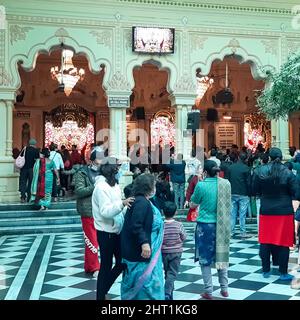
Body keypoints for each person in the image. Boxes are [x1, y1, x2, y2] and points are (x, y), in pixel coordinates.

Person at [252, 147, 298, 281]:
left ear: (269, 157)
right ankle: (283, 272)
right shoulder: (289, 173)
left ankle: (265, 269)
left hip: (266, 209)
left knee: (265, 240)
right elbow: (296, 192)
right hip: (284, 210)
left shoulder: (259, 171)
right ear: (281, 157)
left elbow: (254, 189)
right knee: (284, 242)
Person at [92, 157, 134, 300]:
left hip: (116, 230)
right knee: (106, 265)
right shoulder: (101, 187)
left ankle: (103, 291)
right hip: (106, 232)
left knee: (121, 262)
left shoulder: (113, 185)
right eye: (116, 168)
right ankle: (100, 295)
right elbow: (105, 211)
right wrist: (122, 204)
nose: (119, 170)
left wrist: (124, 209)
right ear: (110, 169)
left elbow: (117, 207)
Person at [190, 160, 231, 300]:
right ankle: (224, 288)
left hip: (205, 225)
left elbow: (193, 204)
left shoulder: (201, 185)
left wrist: (191, 203)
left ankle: (208, 290)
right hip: (222, 224)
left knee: (205, 258)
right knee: (221, 254)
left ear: (206, 172)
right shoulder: (226, 184)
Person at [121, 173, 164, 300]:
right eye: (154, 185)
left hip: (140, 248)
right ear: (148, 187)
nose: (155, 188)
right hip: (139, 250)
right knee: (144, 284)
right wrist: (144, 243)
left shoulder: (142, 200)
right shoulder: (141, 202)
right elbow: (136, 225)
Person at [74, 150, 103, 277]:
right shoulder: (82, 173)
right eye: (99, 159)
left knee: (100, 240)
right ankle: (95, 267)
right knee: (91, 240)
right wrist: (95, 186)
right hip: (88, 209)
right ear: (91, 160)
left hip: (101, 209)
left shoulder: (103, 172)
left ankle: (90, 265)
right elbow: (79, 191)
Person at [162, 201, 187, 300]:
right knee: (172, 273)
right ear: (175, 212)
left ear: (163, 212)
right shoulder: (178, 224)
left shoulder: (161, 225)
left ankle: (170, 291)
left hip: (164, 252)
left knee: (167, 272)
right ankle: (167, 293)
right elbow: (184, 237)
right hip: (176, 252)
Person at [228, 152, 251, 238]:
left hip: (232, 192)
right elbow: (248, 182)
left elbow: (228, 180)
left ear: (238, 157)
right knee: (242, 214)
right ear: (246, 159)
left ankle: (231, 231)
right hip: (243, 193)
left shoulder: (231, 168)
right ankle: (243, 231)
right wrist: (250, 193)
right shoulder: (246, 168)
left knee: (232, 213)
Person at [19, 138, 40, 203]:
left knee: (23, 182)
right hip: (31, 169)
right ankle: (29, 196)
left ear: (29, 143)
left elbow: (20, 157)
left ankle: (22, 197)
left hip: (24, 169)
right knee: (31, 183)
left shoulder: (24, 149)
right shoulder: (36, 151)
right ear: (35, 144)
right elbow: (37, 160)